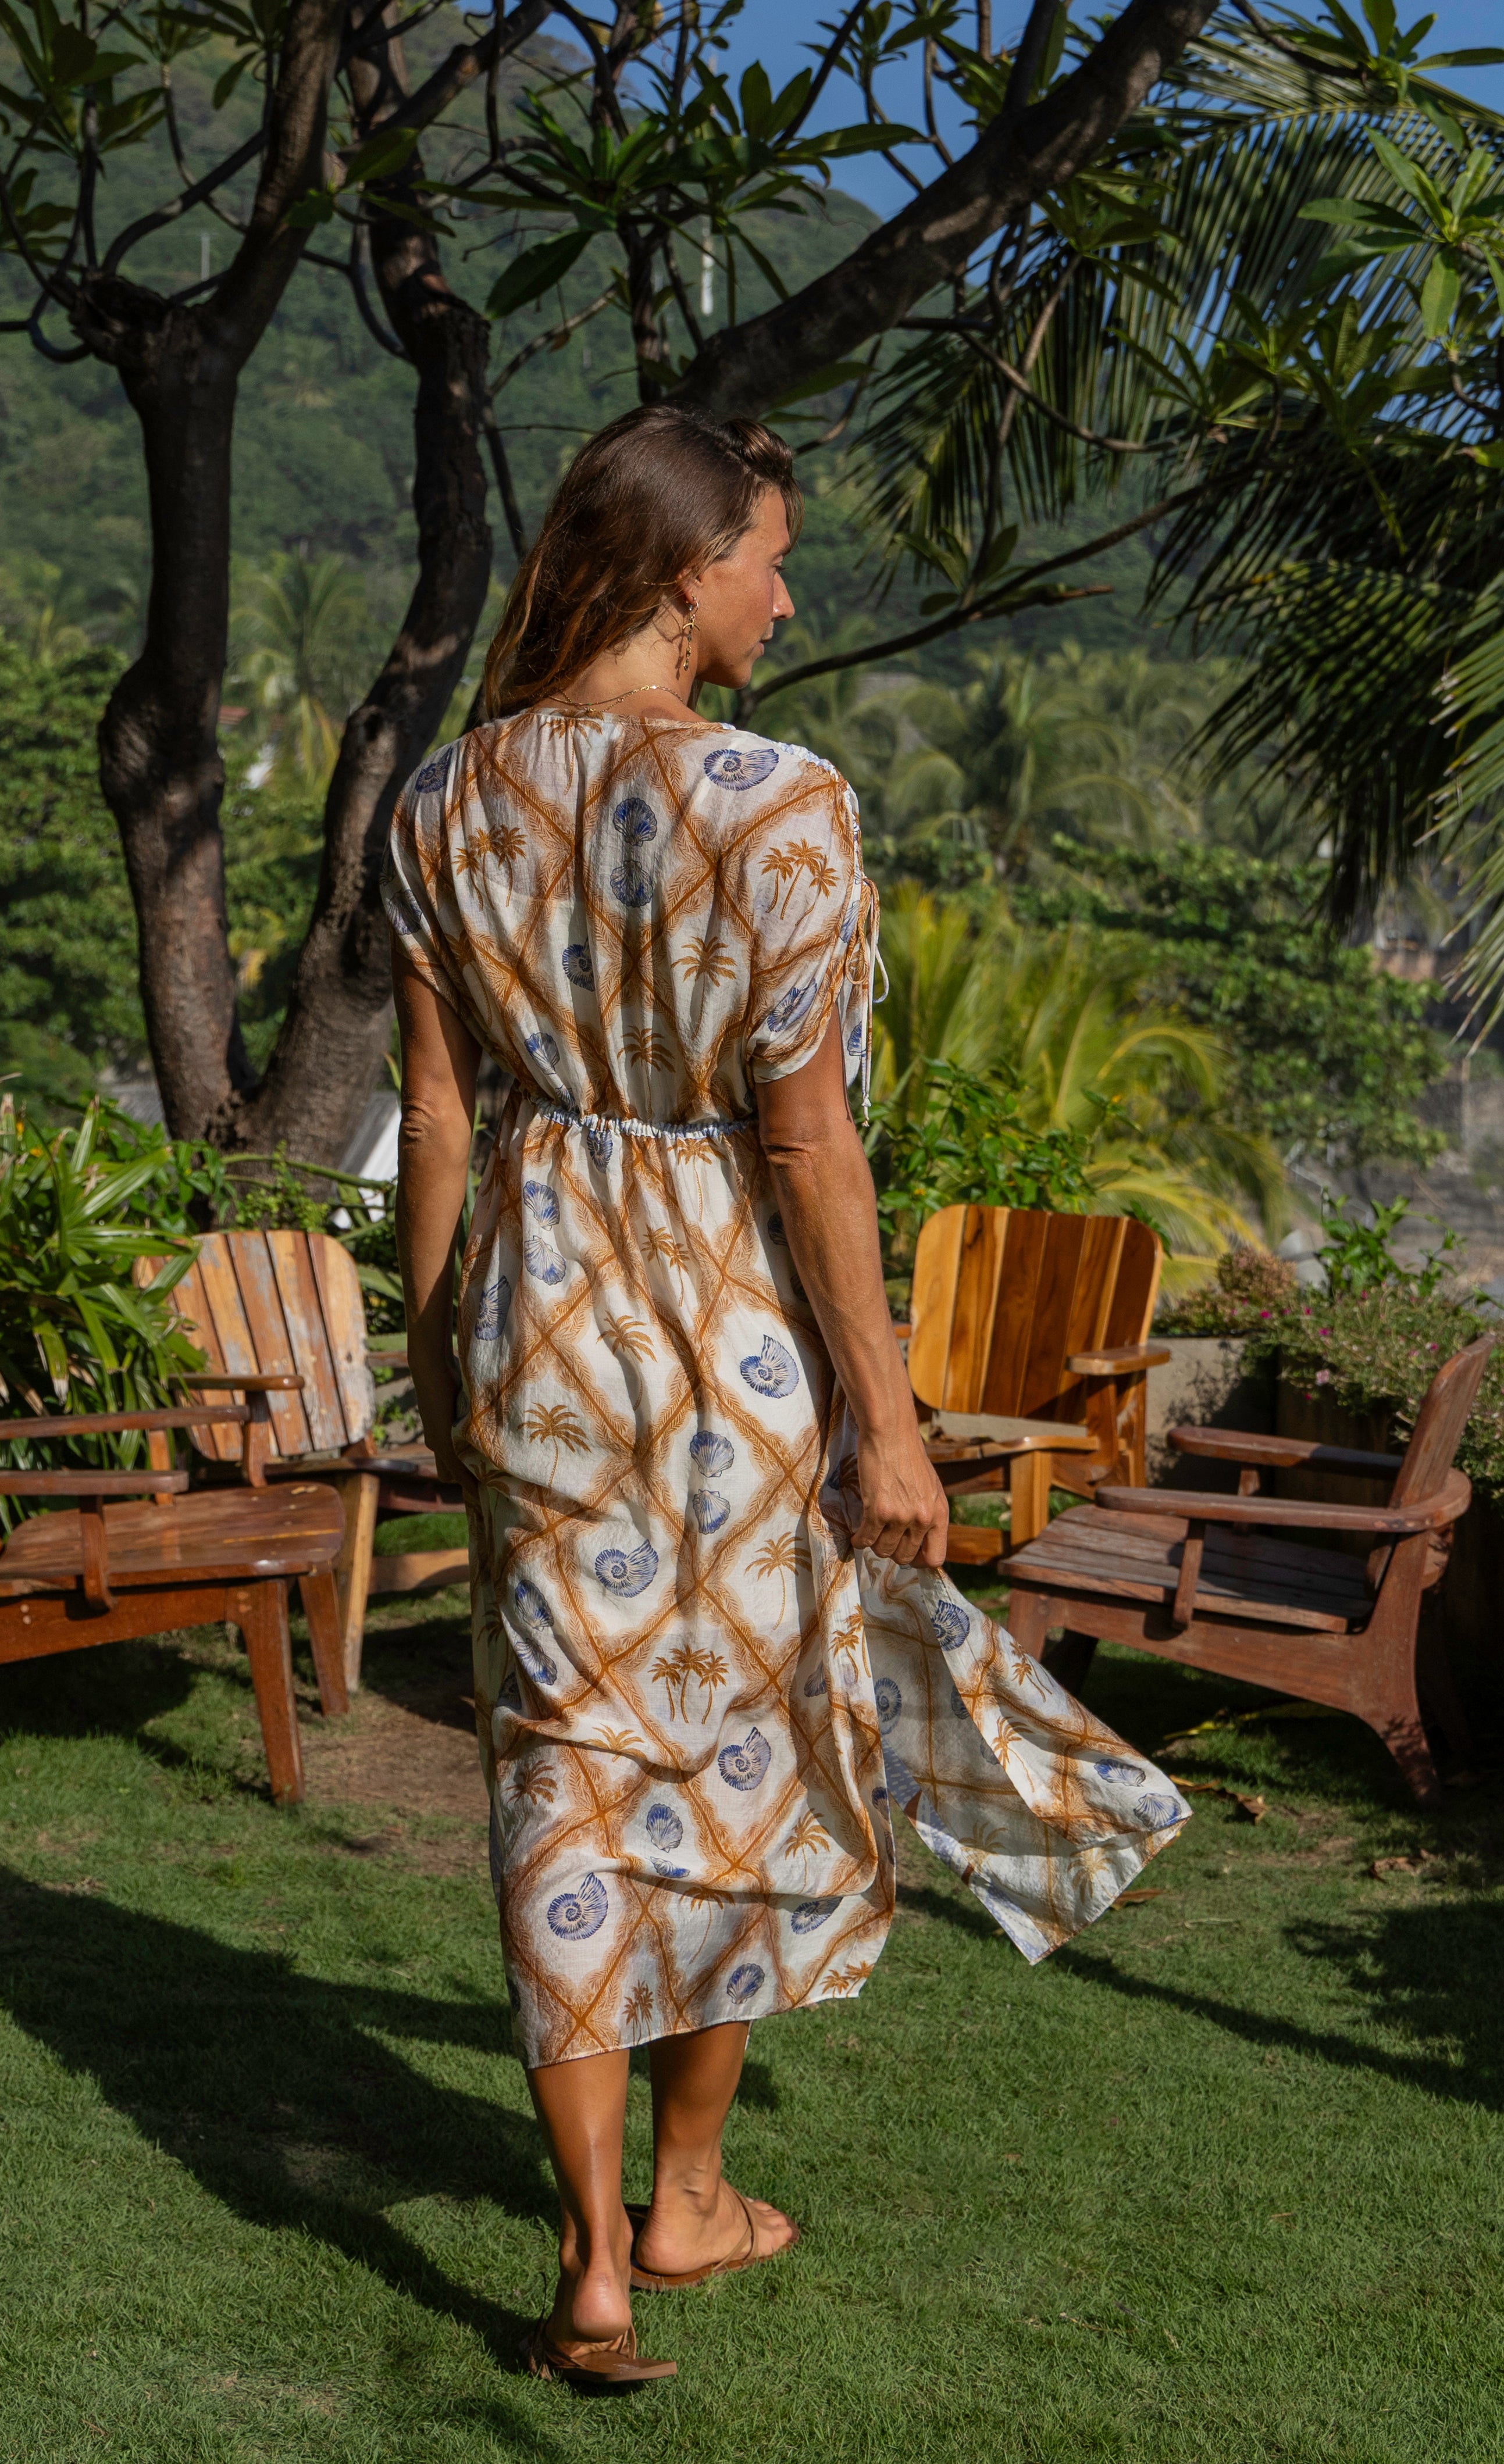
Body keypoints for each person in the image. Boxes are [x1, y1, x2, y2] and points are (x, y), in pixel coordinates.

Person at [386, 403, 1187, 2391]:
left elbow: (435, 1117)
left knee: (563, 1763)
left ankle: (590, 2258)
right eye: (769, 558)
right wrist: (888, 1423)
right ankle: (687, 2197)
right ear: (687, 573)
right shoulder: (776, 802)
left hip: (532, 1326)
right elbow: (811, 1142)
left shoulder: (442, 797)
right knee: (735, 1747)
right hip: (727, 1332)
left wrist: (436, 1356)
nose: (787, 594)